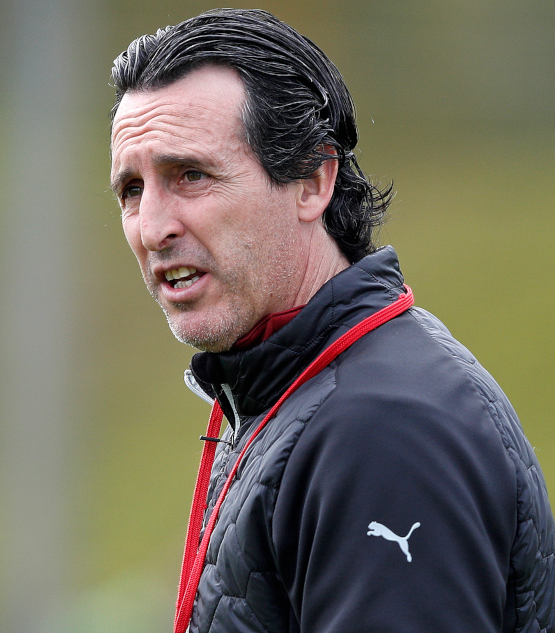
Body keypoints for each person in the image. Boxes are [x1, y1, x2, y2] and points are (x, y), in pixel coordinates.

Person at [108, 8, 555, 633]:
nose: (153, 228)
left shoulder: (382, 431)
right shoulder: (292, 391)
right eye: (132, 189)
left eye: (192, 175)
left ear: (313, 181)